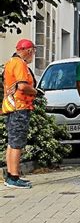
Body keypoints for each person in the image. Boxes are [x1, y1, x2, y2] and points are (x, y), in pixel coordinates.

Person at [2, 39, 38, 188]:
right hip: (20, 107)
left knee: (12, 143)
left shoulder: (11, 62)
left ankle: (11, 175)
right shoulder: (19, 63)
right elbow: (22, 86)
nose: (33, 56)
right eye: (33, 52)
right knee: (17, 143)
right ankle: (14, 177)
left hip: (12, 107)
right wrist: (35, 91)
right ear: (28, 50)